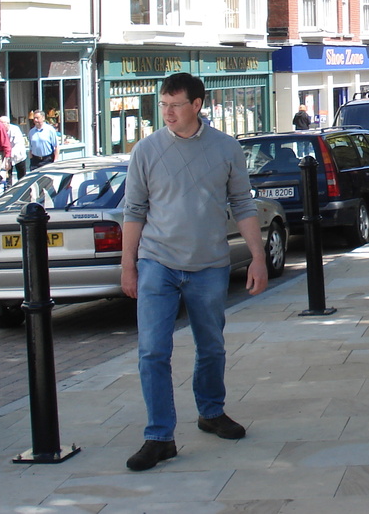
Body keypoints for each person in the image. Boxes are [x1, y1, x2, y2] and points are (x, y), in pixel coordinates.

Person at [121, 72, 268, 473]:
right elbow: (133, 211)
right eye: (163, 104)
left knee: (212, 346)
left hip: (208, 265)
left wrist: (257, 257)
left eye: (175, 105)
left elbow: (243, 204)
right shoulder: (146, 151)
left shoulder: (226, 148)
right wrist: (128, 264)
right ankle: (159, 436)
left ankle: (211, 411)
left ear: (197, 105)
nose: (167, 112)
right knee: (153, 351)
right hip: (157, 262)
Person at [0, 115, 28, 182]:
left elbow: (18, 145)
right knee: (7, 176)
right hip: (7, 156)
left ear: (7, 123)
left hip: (18, 156)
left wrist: (8, 156)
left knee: (21, 177)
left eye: (1, 123)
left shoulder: (15, 129)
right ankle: (8, 188)